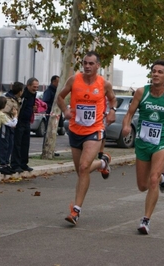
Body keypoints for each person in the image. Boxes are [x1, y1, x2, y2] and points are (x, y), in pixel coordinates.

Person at [122, 59, 164, 235]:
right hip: (143, 143)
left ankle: (145, 220)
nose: (156, 74)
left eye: (160, 72)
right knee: (142, 185)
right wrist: (126, 126)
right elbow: (129, 113)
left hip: (162, 142)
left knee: (152, 180)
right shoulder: (142, 92)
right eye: (154, 71)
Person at [57, 51, 116, 226]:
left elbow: (113, 100)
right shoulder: (74, 80)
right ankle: (103, 162)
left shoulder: (104, 84)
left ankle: (76, 210)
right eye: (85, 63)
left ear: (98, 65)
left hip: (95, 130)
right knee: (81, 171)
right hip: (75, 130)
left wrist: (112, 111)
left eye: (91, 63)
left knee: (84, 167)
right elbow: (60, 97)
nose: (87, 66)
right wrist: (65, 110)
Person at [10, 77, 39, 173]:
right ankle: (15, 164)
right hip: (20, 121)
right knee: (17, 143)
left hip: (27, 122)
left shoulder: (33, 94)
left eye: (37, 87)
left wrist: (33, 109)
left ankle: (23, 163)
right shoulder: (23, 94)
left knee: (25, 143)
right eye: (34, 87)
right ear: (28, 86)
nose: (35, 89)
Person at [0, 82, 23, 175]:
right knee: (5, 144)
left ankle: (6, 164)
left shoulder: (16, 99)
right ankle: (3, 165)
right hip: (5, 124)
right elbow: (3, 112)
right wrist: (13, 115)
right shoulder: (9, 100)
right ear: (20, 91)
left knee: (10, 144)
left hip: (11, 124)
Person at [42, 75, 61, 156]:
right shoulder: (49, 91)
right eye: (58, 82)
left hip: (56, 115)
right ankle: (46, 149)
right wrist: (52, 109)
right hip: (50, 115)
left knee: (54, 133)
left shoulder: (57, 91)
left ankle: (51, 149)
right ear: (54, 82)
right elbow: (45, 102)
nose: (59, 83)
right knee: (48, 132)